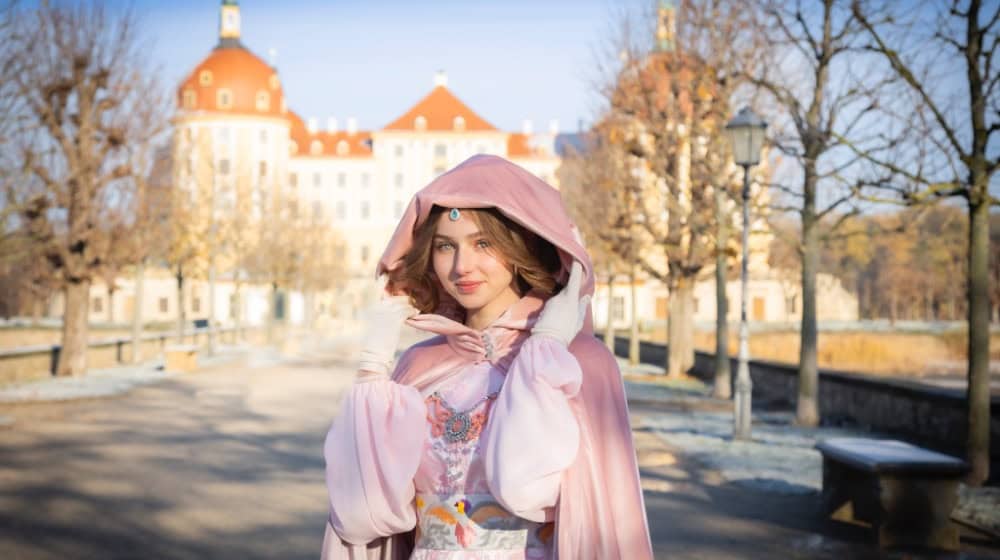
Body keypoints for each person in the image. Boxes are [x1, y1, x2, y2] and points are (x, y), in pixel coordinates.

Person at [321, 154, 653, 559]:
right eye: (446, 246)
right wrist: (373, 371)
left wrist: (543, 348)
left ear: (521, 249)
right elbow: (364, 514)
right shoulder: (419, 365)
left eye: (483, 243)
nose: (462, 266)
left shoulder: (580, 362)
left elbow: (538, 493)